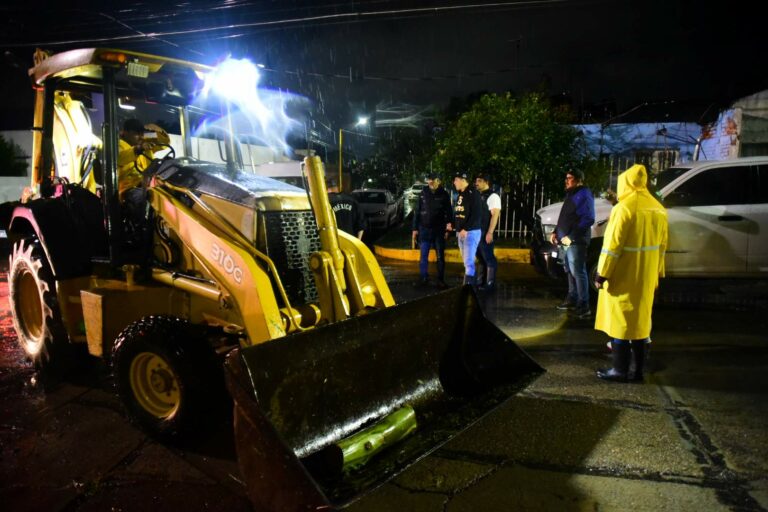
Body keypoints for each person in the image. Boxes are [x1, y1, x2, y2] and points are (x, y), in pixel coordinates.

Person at [594, 164, 668, 383]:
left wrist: (602, 274)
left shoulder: (623, 208)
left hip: (624, 275)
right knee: (640, 324)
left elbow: (612, 246)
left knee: (621, 324)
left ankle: (619, 370)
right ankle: (637, 372)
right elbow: (663, 245)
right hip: (646, 276)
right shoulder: (658, 208)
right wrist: (657, 273)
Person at [550, 168, 595, 319]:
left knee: (578, 271)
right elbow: (565, 217)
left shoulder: (583, 194)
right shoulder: (572, 194)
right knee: (569, 270)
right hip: (566, 240)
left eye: (570, 178)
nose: (566, 180)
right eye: (566, 178)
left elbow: (588, 218)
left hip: (575, 241)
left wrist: (571, 236)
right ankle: (572, 298)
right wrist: (556, 231)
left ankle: (584, 305)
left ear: (578, 180)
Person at [411, 173, 453, 287]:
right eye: (428, 181)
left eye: (432, 181)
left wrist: (448, 229)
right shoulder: (423, 193)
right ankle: (423, 278)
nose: (430, 183)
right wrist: (415, 228)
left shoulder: (444, 194)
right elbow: (417, 211)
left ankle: (440, 280)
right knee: (423, 256)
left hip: (439, 230)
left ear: (438, 181)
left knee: (440, 256)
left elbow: (449, 212)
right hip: (424, 229)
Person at [452, 171, 483, 286]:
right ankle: (469, 287)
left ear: (462, 180)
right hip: (462, 232)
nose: (454, 182)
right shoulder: (461, 194)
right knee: (466, 262)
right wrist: (455, 226)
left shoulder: (473, 193)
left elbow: (476, 214)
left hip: (470, 232)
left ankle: (469, 288)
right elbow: (460, 212)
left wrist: (465, 228)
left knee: (469, 262)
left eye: (456, 180)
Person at [474, 172, 501, 291]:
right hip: (476, 232)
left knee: (489, 258)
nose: (476, 183)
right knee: (480, 257)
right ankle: (480, 282)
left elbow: (495, 215)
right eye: (476, 181)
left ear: (486, 182)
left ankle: (490, 283)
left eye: (479, 181)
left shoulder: (493, 196)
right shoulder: (477, 195)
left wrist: (490, 232)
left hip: (485, 232)